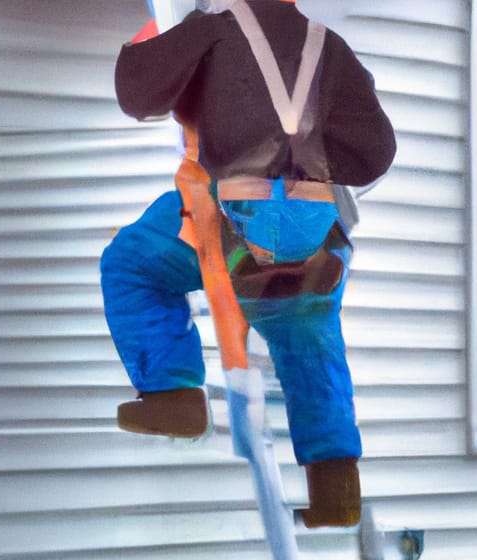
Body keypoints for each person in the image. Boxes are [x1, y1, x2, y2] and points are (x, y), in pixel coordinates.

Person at [101, 0, 396, 527]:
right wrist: (304, 163)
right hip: (313, 227)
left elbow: (138, 95)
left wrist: (145, 45)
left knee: (132, 263)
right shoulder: (325, 45)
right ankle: (335, 487)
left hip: (237, 217)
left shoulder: (211, 31)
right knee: (307, 330)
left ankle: (175, 396)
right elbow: (375, 151)